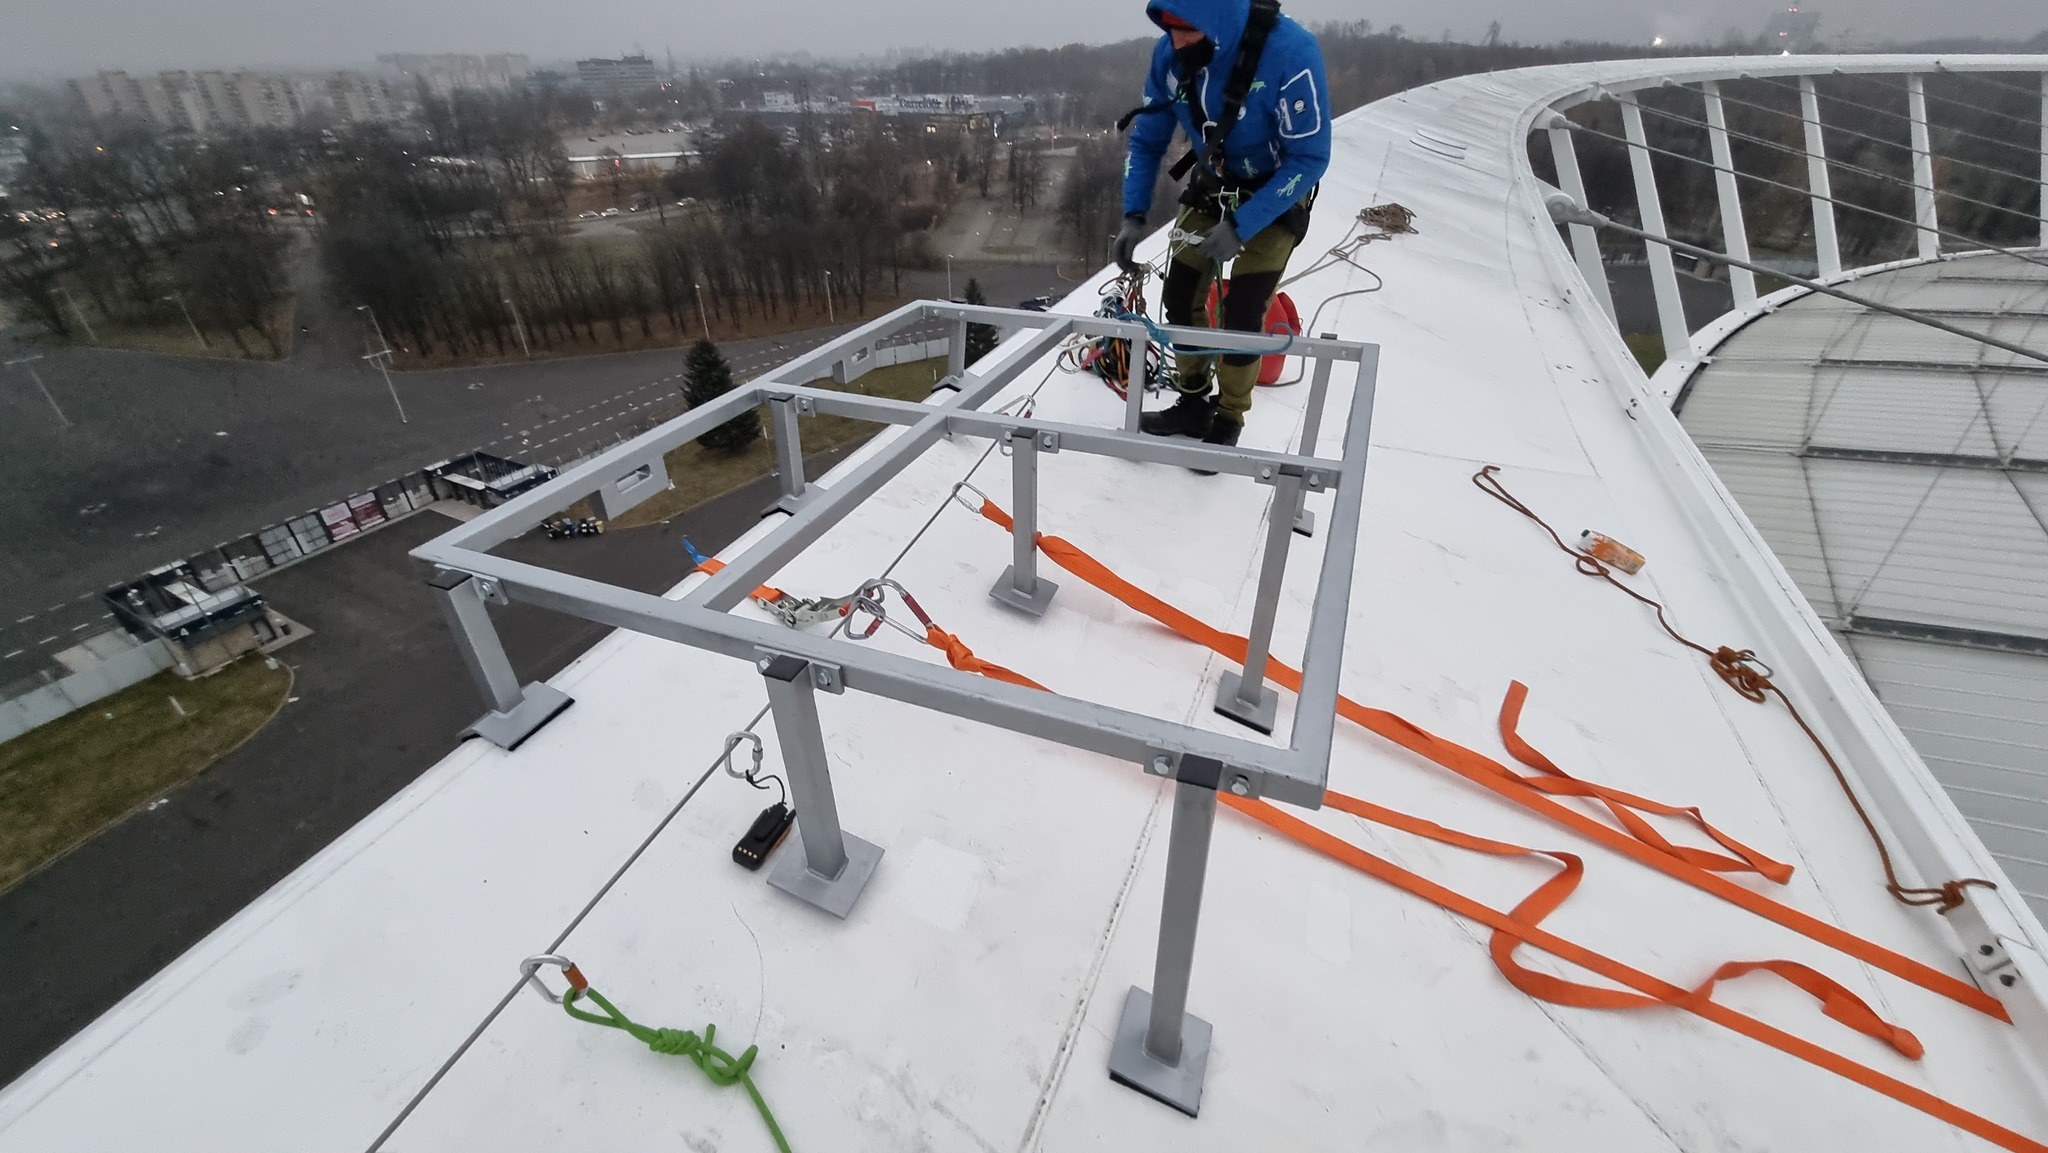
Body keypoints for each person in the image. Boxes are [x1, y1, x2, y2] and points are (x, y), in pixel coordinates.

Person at [1111, 0, 1332, 448]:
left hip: (1275, 192)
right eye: (1168, 30)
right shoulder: (1171, 57)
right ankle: (1193, 404)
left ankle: (1229, 418)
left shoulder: (1290, 52)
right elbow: (1149, 139)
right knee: (1179, 293)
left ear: (1217, 21)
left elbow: (1310, 157)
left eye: (1187, 30)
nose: (1176, 42)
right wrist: (1134, 215)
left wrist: (1243, 225)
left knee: (1244, 311)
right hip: (1216, 182)